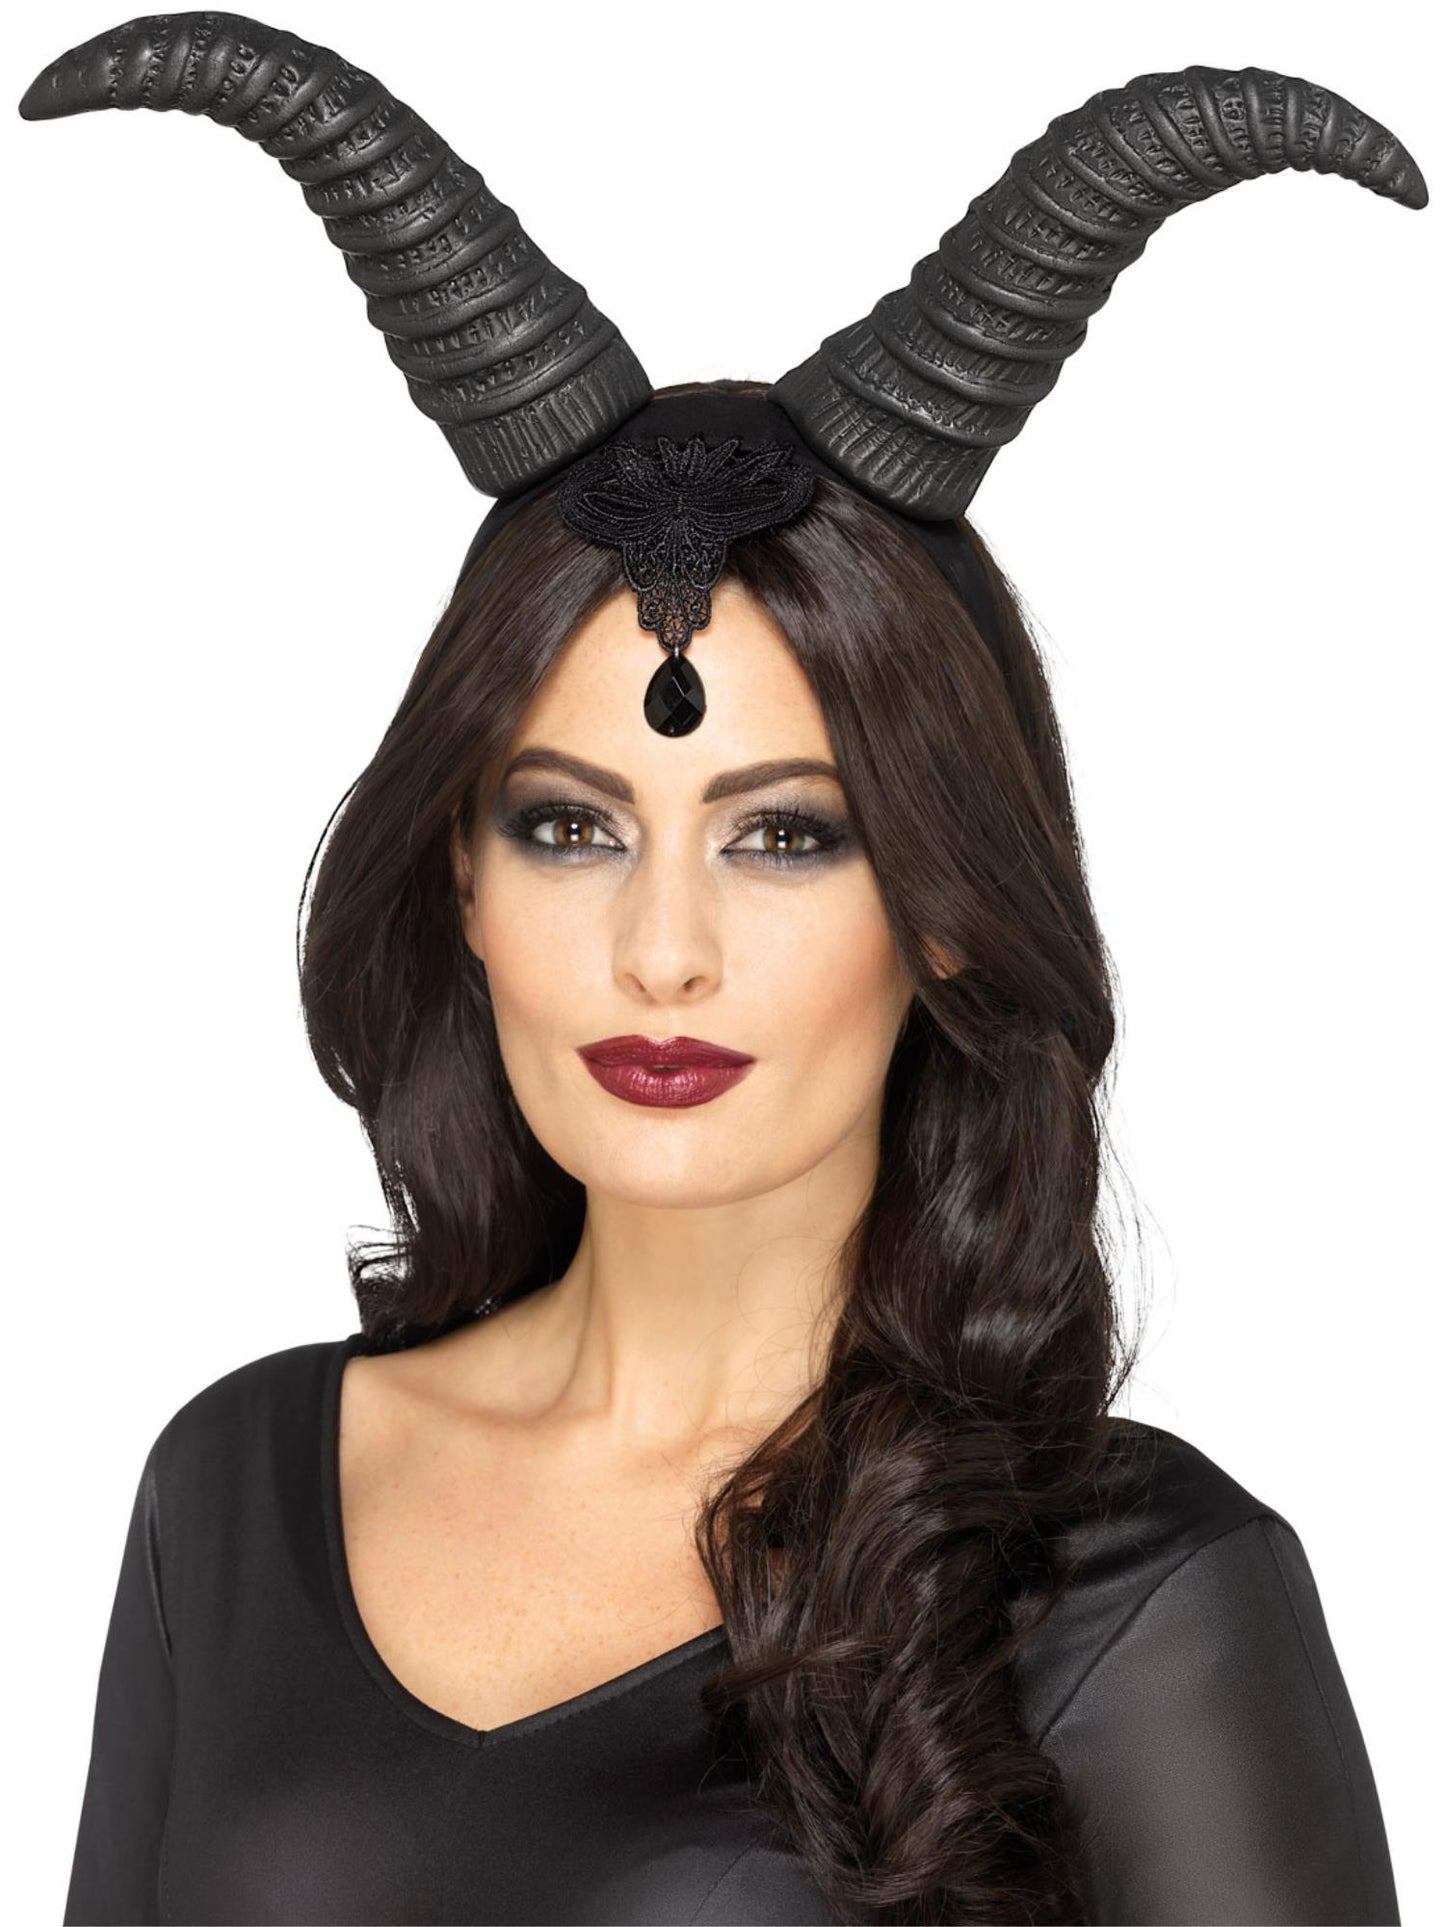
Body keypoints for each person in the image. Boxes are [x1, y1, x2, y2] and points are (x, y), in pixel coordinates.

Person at [20, 15, 1424, 1925]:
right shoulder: (232, 1492)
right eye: (568, 826)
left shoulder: (1138, 1593)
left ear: (940, 898)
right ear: (457, 877)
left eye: (784, 836)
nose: (659, 950)